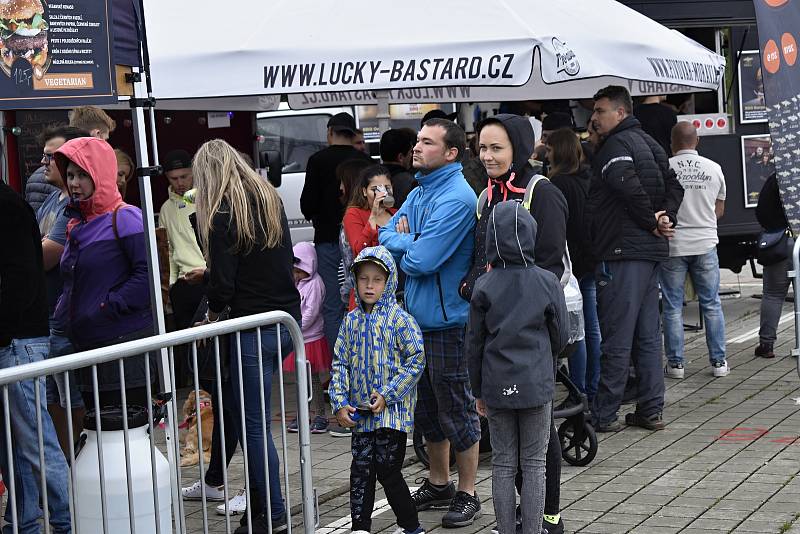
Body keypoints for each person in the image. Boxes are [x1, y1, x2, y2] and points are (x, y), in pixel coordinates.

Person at [460, 113, 568, 534]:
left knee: (541, 442)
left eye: (496, 148)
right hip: (495, 328)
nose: (487, 156)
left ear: (518, 149)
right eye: (482, 148)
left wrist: (511, 303)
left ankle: (549, 516)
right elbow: (477, 257)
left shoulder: (543, 193)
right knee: (512, 453)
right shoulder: (485, 196)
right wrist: (474, 288)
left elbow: (552, 265)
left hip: (534, 328)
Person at [193, 139, 301, 534]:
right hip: (285, 322)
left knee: (253, 429)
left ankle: (272, 512)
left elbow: (223, 286)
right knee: (256, 426)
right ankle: (261, 510)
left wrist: (210, 314)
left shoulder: (222, 214)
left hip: (251, 329)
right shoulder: (269, 200)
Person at [380, 118, 482, 527]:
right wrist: (408, 239)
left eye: (426, 142)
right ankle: (439, 483)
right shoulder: (422, 190)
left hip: (449, 322)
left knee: (456, 407)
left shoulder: (456, 197)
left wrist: (407, 241)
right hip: (417, 320)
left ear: (451, 153)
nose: (416, 148)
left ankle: (468, 491)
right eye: (418, 140)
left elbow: (421, 260)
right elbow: (384, 231)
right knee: (426, 409)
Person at [587, 85, 684, 433]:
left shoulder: (617, 146)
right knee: (646, 337)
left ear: (621, 113)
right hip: (649, 253)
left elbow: (626, 184)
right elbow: (677, 185)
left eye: (600, 111)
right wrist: (665, 218)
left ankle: (604, 414)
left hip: (622, 253)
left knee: (616, 336)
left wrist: (653, 221)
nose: (594, 117)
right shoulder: (652, 144)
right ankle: (651, 410)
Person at [329, 246, 426, 534]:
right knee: (360, 470)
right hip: (360, 415)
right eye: (363, 279)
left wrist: (388, 393)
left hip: (391, 415)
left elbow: (416, 360)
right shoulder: (350, 322)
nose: (369, 286)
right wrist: (338, 402)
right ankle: (360, 526)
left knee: (387, 469)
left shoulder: (400, 320)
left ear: (390, 282)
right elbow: (340, 364)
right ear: (355, 281)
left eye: (377, 280)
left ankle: (411, 526)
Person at [53, 137, 155, 410]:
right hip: (87, 343)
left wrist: (107, 306)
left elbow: (148, 276)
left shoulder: (126, 217)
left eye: (83, 175)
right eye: (70, 175)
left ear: (100, 173)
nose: (74, 183)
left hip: (123, 344)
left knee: (124, 436)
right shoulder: (75, 222)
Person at [1, 176, 72, 534]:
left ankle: (65, 525)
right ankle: (23, 525)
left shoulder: (9, 207)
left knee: (36, 445)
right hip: (13, 339)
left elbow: (22, 279)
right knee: (12, 448)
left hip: (18, 341)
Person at [34, 126, 90, 454]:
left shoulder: (72, 206)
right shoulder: (52, 201)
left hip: (66, 319)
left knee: (73, 398)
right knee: (55, 397)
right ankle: (69, 467)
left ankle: (81, 465)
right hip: (51, 316)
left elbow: (45, 255)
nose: (43, 161)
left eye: (50, 156)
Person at [301, 112, 371, 360]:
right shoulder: (364, 160)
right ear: (352, 135)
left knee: (332, 305)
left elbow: (306, 205)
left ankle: (338, 369)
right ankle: (364, 361)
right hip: (361, 240)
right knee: (364, 300)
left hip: (328, 241)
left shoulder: (317, 161)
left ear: (329, 133)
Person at [662, 122, 728, 378]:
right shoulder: (715, 169)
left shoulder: (665, 167)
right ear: (696, 141)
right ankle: (719, 363)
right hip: (705, 242)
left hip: (674, 245)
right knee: (711, 304)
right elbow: (719, 210)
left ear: (672, 142)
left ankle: (676, 364)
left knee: (672, 306)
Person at [546, 128, 599, 403]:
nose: (547, 153)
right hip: (590, 259)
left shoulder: (557, 185)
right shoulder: (587, 178)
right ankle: (591, 385)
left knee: (576, 330)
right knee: (590, 326)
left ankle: (578, 388)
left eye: (550, 148)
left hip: (572, 265)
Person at [158, 149, 207, 387]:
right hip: (183, 285)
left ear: (194, 174)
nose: (179, 182)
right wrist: (170, 287)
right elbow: (167, 249)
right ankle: (196, 391)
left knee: (209, 341)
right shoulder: (166, 208)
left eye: (184, 176)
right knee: (188, 343)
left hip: (207, 277)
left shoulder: (205, 198)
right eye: (173, 178)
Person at [284, 242, 332, 434]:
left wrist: (295, 326)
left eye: (299, 271)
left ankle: (321, 415)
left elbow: (311, 312)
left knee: (312, 380)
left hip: (310, 338)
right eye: (294, 271)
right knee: (299, 380)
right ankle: (303, 413)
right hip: (299, 337)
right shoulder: (298, 283)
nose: (296, 275)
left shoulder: (315, 284)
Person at [342, 164, 398, 310]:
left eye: (387, 188)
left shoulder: (396, 213)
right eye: (375, 189)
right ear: (364, 192)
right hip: (367, 293)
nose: (382, 193)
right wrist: (373, 215)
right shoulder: (354, 214)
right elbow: (359, 250)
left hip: (394, 292)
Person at [755, 173, 790, 359]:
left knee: (774, 294)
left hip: (781, 243)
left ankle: (766, 345)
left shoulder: (777, 177)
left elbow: (762, 212)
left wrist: (777, 226)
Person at [379, 128, 417, 207]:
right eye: (410, 152)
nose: (412, 155)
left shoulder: (369, 178)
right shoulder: (411, 183)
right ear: (400, 157)